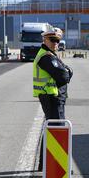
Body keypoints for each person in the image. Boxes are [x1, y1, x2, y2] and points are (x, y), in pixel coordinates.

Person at [33, 27, 73, 170]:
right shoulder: (46, 57)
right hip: (51, 97)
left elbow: (67, 71)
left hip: (54, 96)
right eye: (53, 40)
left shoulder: (51, 54)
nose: (56, 43)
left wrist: (66, 72)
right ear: (45, 40)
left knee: (51, 128)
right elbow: (63, 76)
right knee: (56, 129)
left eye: (58, 40)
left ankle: (45, 164)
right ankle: (53, 164)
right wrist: (66, 74)